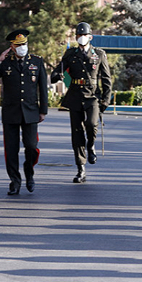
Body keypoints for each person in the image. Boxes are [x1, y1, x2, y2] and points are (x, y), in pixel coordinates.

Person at [0, 29, 48, 195]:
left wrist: (43, 110)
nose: (22, 47)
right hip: (11, 112)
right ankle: (14, 181)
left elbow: (42, 88)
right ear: (11, 47)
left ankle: (29, 172)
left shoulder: (37, 61)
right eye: (18, 45)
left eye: (24, 44)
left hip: (31, 111)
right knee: (11, 150)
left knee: (32, 147)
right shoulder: (5, 62)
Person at [50, 22, 111, 184]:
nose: (81, 38)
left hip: (92, 96)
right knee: (77, 132)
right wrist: (56, 76)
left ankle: (90, 145)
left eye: (84, 35)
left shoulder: (99, 54)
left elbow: (106, 79)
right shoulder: (70, 54)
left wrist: (106, 99)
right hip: (75, 95)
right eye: (79, 35)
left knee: (91, 124)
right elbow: (57, 71)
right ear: (76, 37)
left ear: (90, 37)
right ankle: (81, 169)